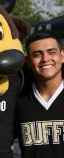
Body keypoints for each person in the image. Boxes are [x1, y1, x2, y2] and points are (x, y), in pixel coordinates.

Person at [15, 30, 64, 158]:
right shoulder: (19, 100)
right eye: (37, 54)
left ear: (62, 56)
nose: (45, 59)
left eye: (51, 52)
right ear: (28, 61)